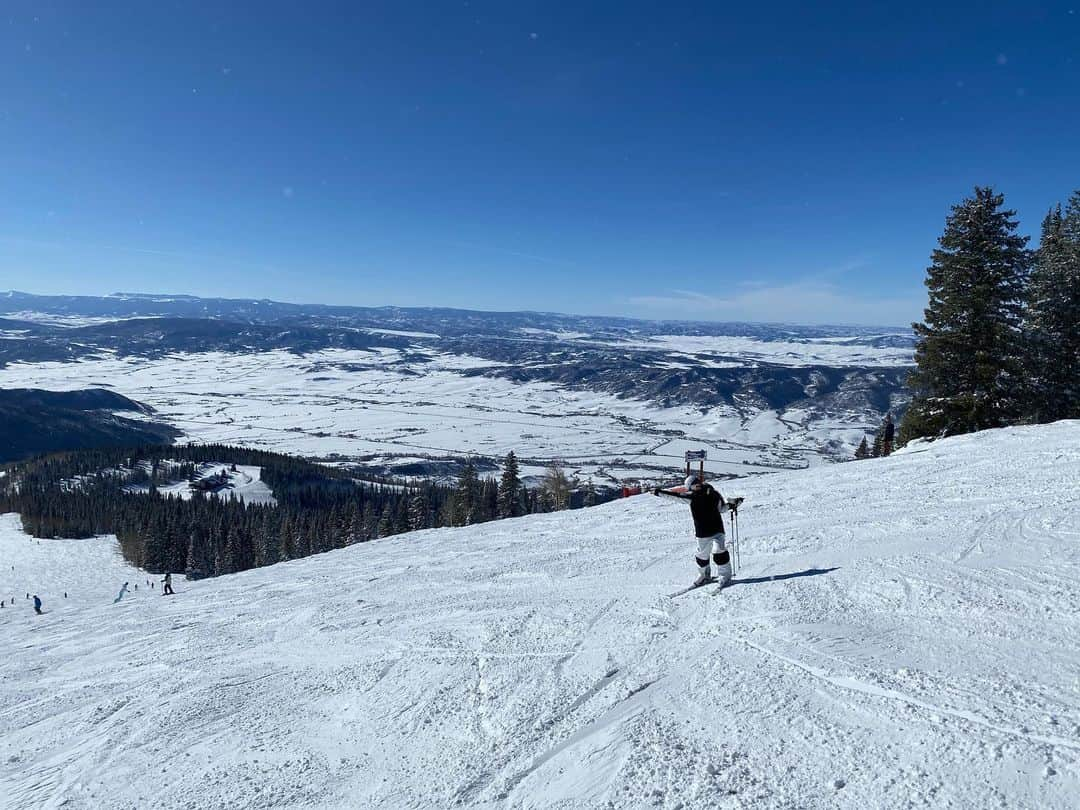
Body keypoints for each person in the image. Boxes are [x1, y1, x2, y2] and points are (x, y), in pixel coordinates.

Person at [655, 475, 741, 586]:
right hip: (702, 533)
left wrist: (732, 505)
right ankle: (704, 576)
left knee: (719, 551)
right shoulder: (691, 497)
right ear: (690, 487)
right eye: (694, 484)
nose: (697, 484)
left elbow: (722, 508)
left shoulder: (713, 494)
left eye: (698, 482)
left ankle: (725, 576)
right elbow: (674, 496)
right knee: (702, 556)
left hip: (717, 530)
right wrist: (658, 492)